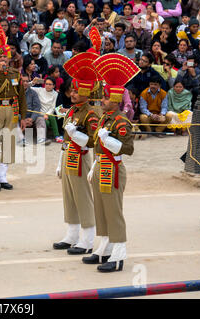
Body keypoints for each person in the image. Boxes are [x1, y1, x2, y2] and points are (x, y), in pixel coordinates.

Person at [84, 53, 137, 272]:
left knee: (113, 211)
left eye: (105, 98)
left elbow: (128, 149)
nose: (102, 101)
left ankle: (119, 255)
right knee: (101, 210)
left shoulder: (121, 122)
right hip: (101, 165)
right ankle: (105, 248)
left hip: (114, 167)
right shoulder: (105, 118)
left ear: (115, 100)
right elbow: (97, 146)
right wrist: (95, 165)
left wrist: (110, 139)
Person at [53, 52, 100, 255]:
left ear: (87, 93)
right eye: (72, 91)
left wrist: (77, 136)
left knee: (82, 198)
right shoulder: (71, 111)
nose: (72, 94)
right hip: (68, 156)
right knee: (69, 198)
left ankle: (87, 240)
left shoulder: (91, 113)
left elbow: (92, 141)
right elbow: (65, 138)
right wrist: (59, 161)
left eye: (77, 91)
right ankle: (71, 235)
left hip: (81, 157)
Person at [0, 41, 27, 192]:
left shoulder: (16, 73)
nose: (3, 59)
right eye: (0, 57)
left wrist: (24, 116)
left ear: (9, 58)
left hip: (12, 108)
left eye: (5, 57)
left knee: (8, 143)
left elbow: (21, 96)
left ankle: (3, 177)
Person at [31, 77, 62, 143]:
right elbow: (28, 87)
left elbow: (53, 107)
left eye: (50, 84)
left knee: (51, 116)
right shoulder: (40, 90)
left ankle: (57, 136)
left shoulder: (55, 94)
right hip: (40, 115)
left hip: (49, 115)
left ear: (53, 86)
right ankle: (57, 136)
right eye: (46, 84)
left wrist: (47, 114)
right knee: (48, 123)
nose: (47, 86)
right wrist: (32, 82)